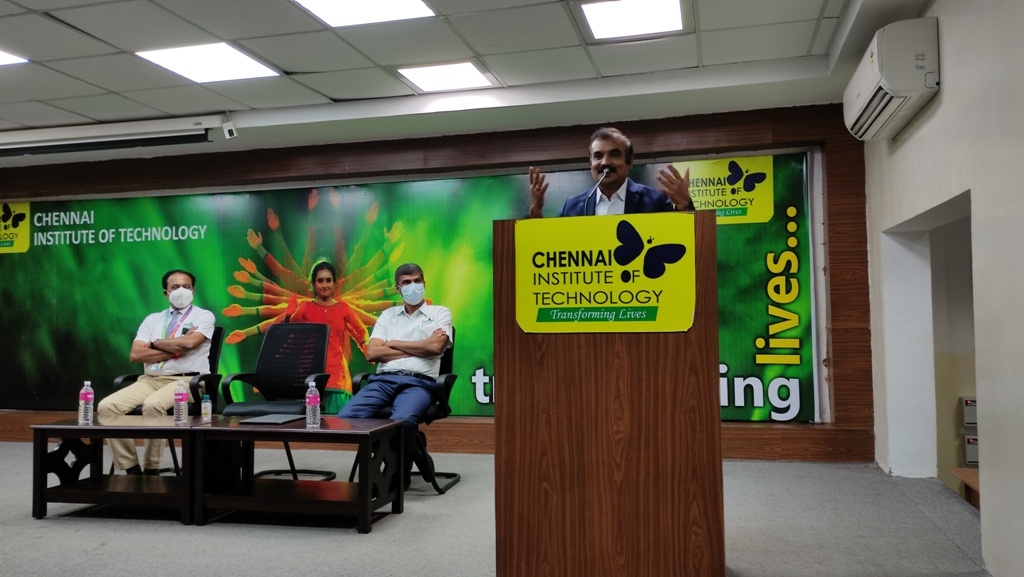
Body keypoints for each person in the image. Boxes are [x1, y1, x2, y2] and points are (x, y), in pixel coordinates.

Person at [339, 262, 452, 484]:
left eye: (417, 281)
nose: (413, 286)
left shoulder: (440, 312)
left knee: (403, 422)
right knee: (346, 420)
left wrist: (393, 343)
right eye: (407, 283)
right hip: (383, 380)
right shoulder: (387, 315)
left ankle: (396, 472)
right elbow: (372, 353)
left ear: (424, 283)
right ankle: (408, 452)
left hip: (419, 383)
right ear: (398, 289)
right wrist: (420, 346)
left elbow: (435, 347)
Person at [97, 269, 216, 475]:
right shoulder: (153, 319)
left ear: (194, 290)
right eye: (175, 287)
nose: (181, 291)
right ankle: (131, 468)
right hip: (150, 380)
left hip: (187, 382)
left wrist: (154, 344)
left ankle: (152, 468)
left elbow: (189, 343)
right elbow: (136, 354)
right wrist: (175, 349)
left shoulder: (204, 316)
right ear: (166, 293)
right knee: (107, 407)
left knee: (153, 405)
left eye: (186, 287)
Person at [528, 126, 693, 217]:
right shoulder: (572, 207)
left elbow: (682, 240)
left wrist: (684, 206)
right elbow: (551, 246)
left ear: (630, 162)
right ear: (591, 164)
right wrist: (535, 214)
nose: (605, 162)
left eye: (614, 155)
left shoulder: (655, 201)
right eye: (598, 156)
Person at [283, 260, 369, 402]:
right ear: (313, 284)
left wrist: (365, 344)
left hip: (337, 375)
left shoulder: (343, 308)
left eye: (328, 280)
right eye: (320, 281)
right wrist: (287, 316)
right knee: (313, 415)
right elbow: (288, 333)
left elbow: (360, 330)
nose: (324, 285)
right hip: (310, 373)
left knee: (336, 415)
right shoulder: (305, 308)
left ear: (334, 283)